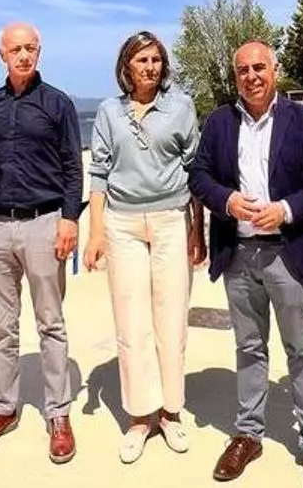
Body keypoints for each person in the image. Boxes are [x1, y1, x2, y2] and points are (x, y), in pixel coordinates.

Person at [187, 41, 303, 487]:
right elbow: (199, 176)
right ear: (235, 76)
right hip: (238, 254)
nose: (252, 76)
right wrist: (226, 201)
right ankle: (248, 434)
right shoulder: (219, 122)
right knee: (249, 347)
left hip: (288, 253)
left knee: (301, 349)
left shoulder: (302, 120)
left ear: (274, 69)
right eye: (243, 70)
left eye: (259, 67)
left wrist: (286, 209)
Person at [0, 22, 83, 464]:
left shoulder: (58, 104)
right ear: (2, 55)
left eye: (30, 48)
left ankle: (58, 413)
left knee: (51, 323)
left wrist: (70, 219)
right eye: (16, 49)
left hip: (44, 223)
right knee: (1, 326)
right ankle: (3, 408)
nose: (24, 55)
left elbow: (72, 167)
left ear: (39, 52)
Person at [82, 30, 206, 464]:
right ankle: (140, 416)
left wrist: (198, 230)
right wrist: (95, 232)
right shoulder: (108, 112)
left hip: (172, 219)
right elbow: (99, 172)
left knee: (171, 320)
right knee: (131, 322)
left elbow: (195, 170)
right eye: (141, 60)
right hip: (122, 223)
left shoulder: (181, 106)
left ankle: (171, 412)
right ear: (126, 67)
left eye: (155, 59)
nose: (150, 67)